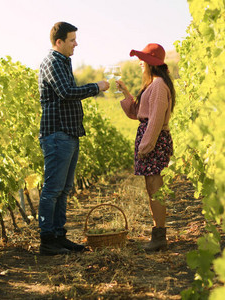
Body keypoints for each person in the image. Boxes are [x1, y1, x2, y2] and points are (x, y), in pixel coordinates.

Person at [38, 21, 110, 256]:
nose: (76, 44)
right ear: (59, 42)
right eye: (71, 40)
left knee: (63, 188)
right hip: (57, 133)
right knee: (53, 189)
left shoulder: (63, 63)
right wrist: (96, 87)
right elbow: (67, 93)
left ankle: (59, 236)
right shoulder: (52, 62)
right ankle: (47, 240)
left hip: (68, 133)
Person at [116, 43, 176, 252]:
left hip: (154, 139)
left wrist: (146, 146)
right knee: (151, 188)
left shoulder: (158, 85)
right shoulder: (153, 84)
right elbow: (137, 113)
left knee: (155, 188)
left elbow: (156, 120)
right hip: (151, 138)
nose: (140, 63)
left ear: (151, 63)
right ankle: (157, 233)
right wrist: (125, 93)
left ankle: (160, 236)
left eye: (143, 59)